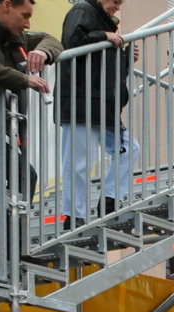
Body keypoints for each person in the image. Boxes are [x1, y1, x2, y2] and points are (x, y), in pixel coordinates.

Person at [0, 0, 61, 263]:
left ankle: (5, 252)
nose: (28, 22)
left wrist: (43, 52)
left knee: (24, 174)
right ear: (6, 5)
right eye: (25, 15)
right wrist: (21, 79)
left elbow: (51, 38)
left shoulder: (13, 35)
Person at [55, 0, 133, 224]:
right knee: (78, 162)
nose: (117, 7)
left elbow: (108, 70)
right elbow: (72, 42)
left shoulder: (102, 21)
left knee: (129, 148)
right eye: (115, 1)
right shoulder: (83, 9)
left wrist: (127, 59)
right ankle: (74, 215)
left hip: (101, 105)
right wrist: (105, 36)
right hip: (81, 102)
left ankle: (109, 198)